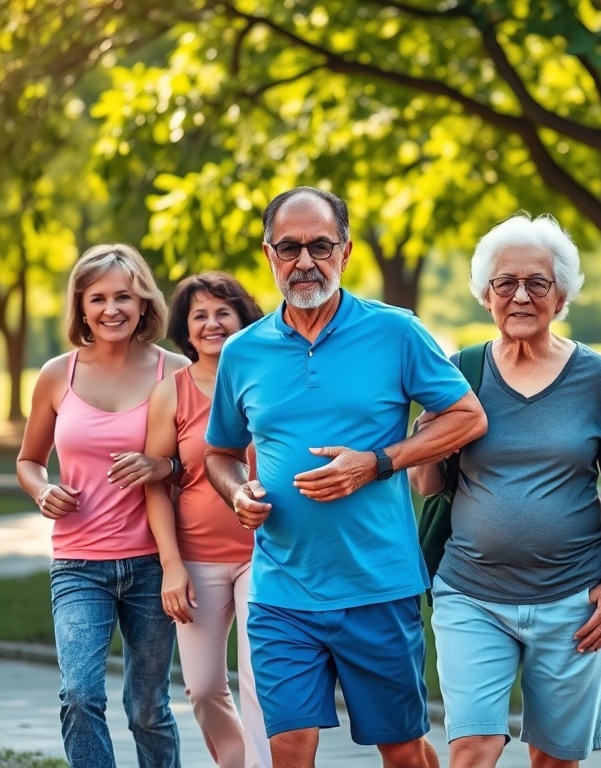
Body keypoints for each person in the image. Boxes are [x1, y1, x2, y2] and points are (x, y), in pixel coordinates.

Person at [203, 186, 488, 768]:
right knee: (289, 746)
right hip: (282, 589)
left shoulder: (396, 332)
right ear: (268, 255)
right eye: (289, 247)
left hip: (377, 585)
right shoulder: (242, 352)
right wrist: (239, 492)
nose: (305, 261)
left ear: (346, 251)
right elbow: (219, 452)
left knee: (403, 749)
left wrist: (377, 462)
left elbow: (467, 417)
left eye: (320, 246)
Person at [408, 214, 601, 768]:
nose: (520, 296)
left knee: (554, 759)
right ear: (485, 294)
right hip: (471, 592)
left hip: (575, 598)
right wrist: (429, 431)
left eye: (537, 283)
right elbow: (428, 486)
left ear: (562, 294)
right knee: (473, 748)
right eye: (505, 283)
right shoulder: (460, 372)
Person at [16, 243, 189, 767]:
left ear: (143, 303)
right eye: (98, 299)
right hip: (78, 565)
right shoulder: (56, 374)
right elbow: (28, 460)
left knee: (148, 708)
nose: (111, 309)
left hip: (153, 566)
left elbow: (201, 461)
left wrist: (165, 467)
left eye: (124, 296)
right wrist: (42, 489)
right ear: (81, 306)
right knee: (80, 695)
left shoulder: (175, 371)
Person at [144, 272, 270, 767]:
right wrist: (171, 565)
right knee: (201, 687)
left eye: (224, 312)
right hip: (196, 559)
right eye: (200, 315)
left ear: (243, 320)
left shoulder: (269, 379)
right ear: (185, 328)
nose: (212, 323)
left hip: (266, 555)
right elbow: (155, 479)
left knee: (261, 683)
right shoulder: (170, 392)